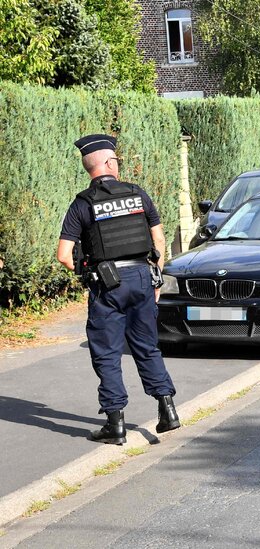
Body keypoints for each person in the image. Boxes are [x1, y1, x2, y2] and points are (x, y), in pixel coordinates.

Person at [56, 134, 180, 445]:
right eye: (117, 160)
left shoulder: (82, 204)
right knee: (147, 347)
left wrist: (89, 276)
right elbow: (159, 241)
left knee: (107, 353)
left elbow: (63, 255)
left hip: (107, 284)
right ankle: (168, 410)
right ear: (109, 163)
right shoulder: (138, 195)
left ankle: (115, 424)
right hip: (142, 278)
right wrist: (156, 279)